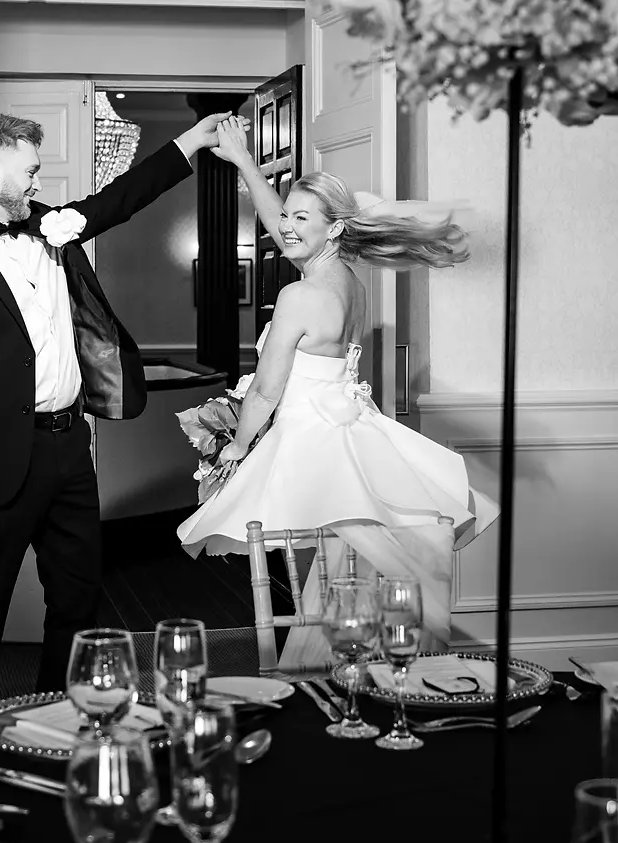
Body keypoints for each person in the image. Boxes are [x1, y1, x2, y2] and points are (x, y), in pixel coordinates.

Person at [0, 108, 232, 748]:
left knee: (78, 606)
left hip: (71, 451)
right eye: (29, 170)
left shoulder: (53, 227)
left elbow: (124, 198)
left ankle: (58, 731)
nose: (37, 182)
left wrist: (193, 141)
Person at [177, 116, 498, 662]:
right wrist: (244, 163)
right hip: (352, 433)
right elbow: (291, 231)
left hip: (312, 442)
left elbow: (266, 392)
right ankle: (367, 664)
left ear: (333, 230)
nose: (286, 227)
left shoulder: (300, 297)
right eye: (287, 215)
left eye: (301, 218)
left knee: (321, 572)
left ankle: (332, 670)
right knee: (343, 571)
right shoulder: (350, 283)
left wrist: (235, 448)